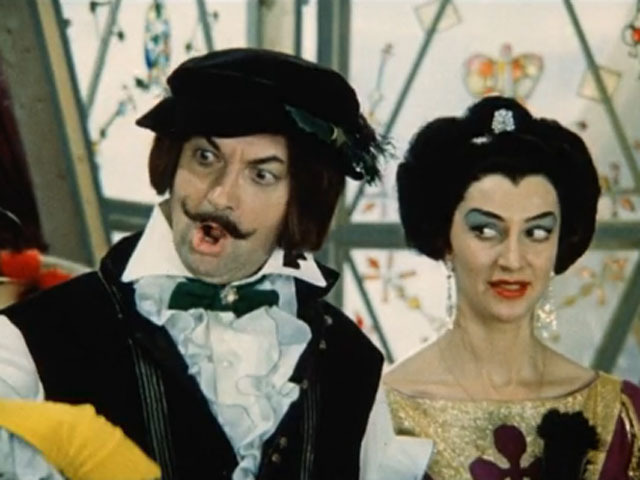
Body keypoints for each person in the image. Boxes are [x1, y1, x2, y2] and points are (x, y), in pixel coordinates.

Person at [0, 48, 406, 479]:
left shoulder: (353, 365)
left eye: (261, 175)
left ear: (300, 202)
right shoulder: (32, 339)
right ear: (172, 161)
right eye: (205, 158)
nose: (219, 195)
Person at [386, 95, 640, 479]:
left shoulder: (620, 418)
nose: (513, 259)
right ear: (444, 238)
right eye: (486, 230)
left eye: (537, 232)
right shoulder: (379, 414)